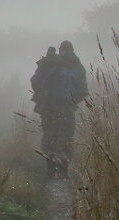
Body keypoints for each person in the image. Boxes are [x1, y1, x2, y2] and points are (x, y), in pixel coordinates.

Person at [30, 41, 87, 178]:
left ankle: (50, 167)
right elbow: (83, 89)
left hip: (49, 104)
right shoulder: (77, 65)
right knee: (66, 135)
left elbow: (35, 82)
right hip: (68, 106)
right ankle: (63, 170)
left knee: (50, 133)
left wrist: (43, 95)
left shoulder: (50, 62)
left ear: (59, 50)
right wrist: (74, 100)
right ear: (72, 50)